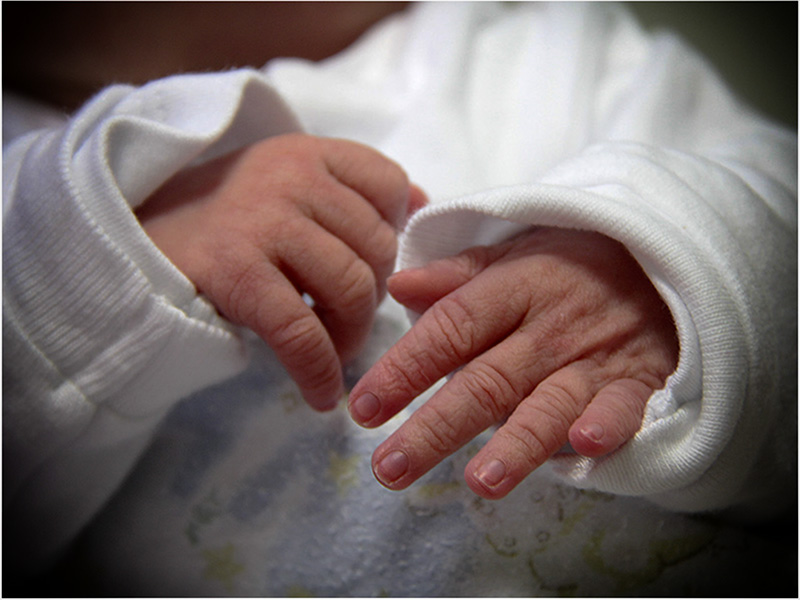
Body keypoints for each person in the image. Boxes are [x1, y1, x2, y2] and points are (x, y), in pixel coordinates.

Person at [3, 0, 795, 579]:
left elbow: (780, 203)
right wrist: (106, 247)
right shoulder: (25, 184)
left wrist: (667, 271)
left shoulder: (542, 44)